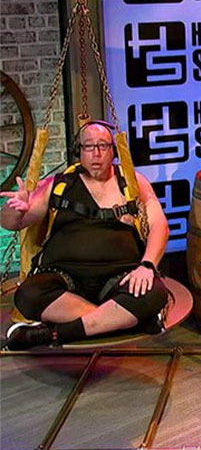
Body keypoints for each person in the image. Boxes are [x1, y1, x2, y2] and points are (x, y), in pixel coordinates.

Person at [1, 120, 170, 350]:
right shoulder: (58, 184)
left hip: (120, 277)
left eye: (103, 145)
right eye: (88, 146)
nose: (96, 153)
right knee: (28, 295)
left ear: (113, 150)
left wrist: (147, 265)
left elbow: (160, 225)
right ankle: (124, 321)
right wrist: (15, 209)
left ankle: (51, 334)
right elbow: (11, 223)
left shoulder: (131, 181)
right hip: (63, 278)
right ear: (78, 151)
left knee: (153, 294)